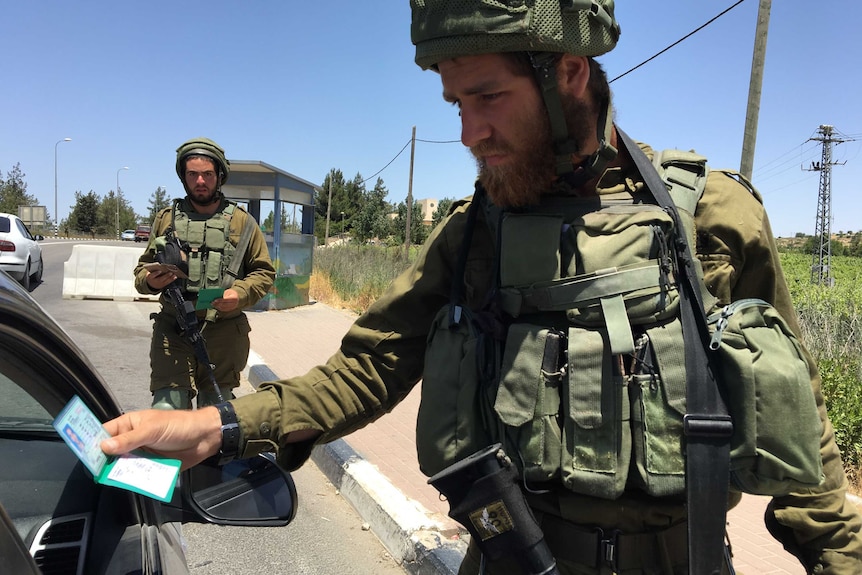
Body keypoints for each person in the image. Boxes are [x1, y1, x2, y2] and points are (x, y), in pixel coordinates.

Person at [103, 4, 862, 573]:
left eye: (487, 97)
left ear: (567, 71)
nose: (468, 131)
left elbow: (796, 416)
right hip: (512, 554)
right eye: (456, 105)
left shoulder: (714, 215)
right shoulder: (473, 234)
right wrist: (222, 425)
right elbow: (368, 365)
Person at [133, 137, 275, 410]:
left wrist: (239, 293)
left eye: (207, 174)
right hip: (173, 330)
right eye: (193, 174)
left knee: (215, 415)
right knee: (168, 409)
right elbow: (142, 271)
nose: (200, 181)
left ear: (219, 176)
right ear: (183, 177)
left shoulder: (241, 221)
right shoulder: (166, 218)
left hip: (222, 333)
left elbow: (263, 272)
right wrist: (150, 281)